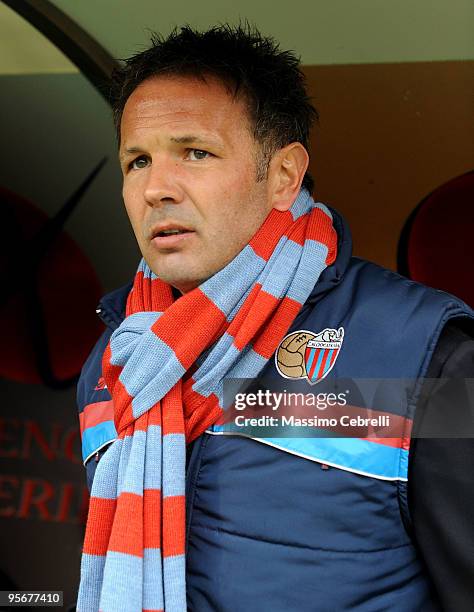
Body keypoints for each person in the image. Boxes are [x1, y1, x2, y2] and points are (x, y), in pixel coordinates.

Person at [76, 24, 474, 612]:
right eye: (137, 161)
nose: (157, 187)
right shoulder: (116, 361)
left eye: (195, 152)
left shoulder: (427, 356)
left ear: (285, 175)